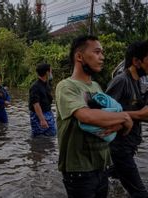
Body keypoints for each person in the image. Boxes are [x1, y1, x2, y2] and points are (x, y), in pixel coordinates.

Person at [55, 35, 133, 198]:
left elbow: (107, 117)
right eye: (97, 52)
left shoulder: (96, 86)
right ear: (79, 56)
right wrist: (125, 118)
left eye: (102, 52)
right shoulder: (66, 86)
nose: (102, 57)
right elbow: (86, 116)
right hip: (78, 170)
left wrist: (118, 122)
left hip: (101, 164)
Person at [106, 41, 148, 197]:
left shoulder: (140, 83)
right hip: (119, 148)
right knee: (140, 193)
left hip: (131, 145)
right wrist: (136, 115)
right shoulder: (121, 81)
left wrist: (128, 115)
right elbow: (103, 113)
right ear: (137, 61)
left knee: (111, 177)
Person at [29, 64, 56, 137]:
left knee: (51, 136)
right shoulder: (35, 87)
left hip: (48, 113)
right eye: (50, 71)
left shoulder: (46, 84)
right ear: (47, 73)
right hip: (39, 115)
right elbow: (35, 104)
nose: (51, 73)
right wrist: (42, 119)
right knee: (39, 138)